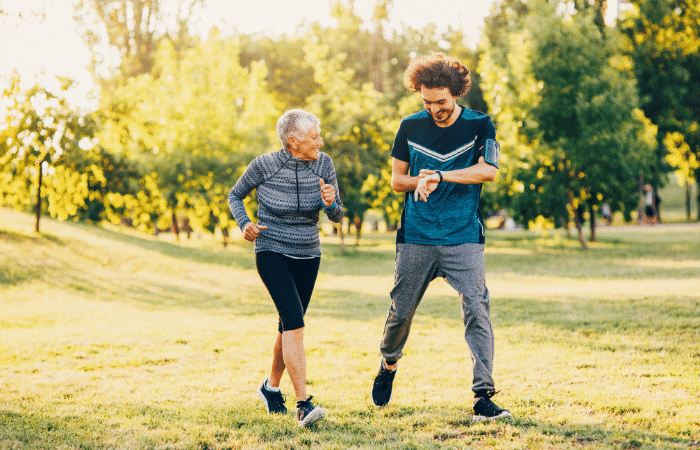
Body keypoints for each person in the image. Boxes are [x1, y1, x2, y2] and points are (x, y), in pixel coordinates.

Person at [371, 52, 512, 422]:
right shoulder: (409, 127)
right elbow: (396, 181)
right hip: (416, 236)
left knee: (477, 308)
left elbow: (488, 171)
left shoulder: (481, 126)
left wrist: (440, 175)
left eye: (441, 102)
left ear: (457, 93)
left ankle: (483, 395)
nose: (435, 109)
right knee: (400, 312)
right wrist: (419, 179)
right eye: (427, 102)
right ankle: (388, 363)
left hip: (463, 236)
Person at [228, 109, 343, 428]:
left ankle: (270, 388)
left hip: (308, 253)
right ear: (293, 141)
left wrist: (331, 203)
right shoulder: (264, 165)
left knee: (288, 325)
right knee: (295, 322)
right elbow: (235, 195)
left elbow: (336, 216)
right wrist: (245, 223)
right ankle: (303, 405)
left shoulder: (324, 163)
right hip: (271, 249)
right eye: (314, 136)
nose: (320, 140)